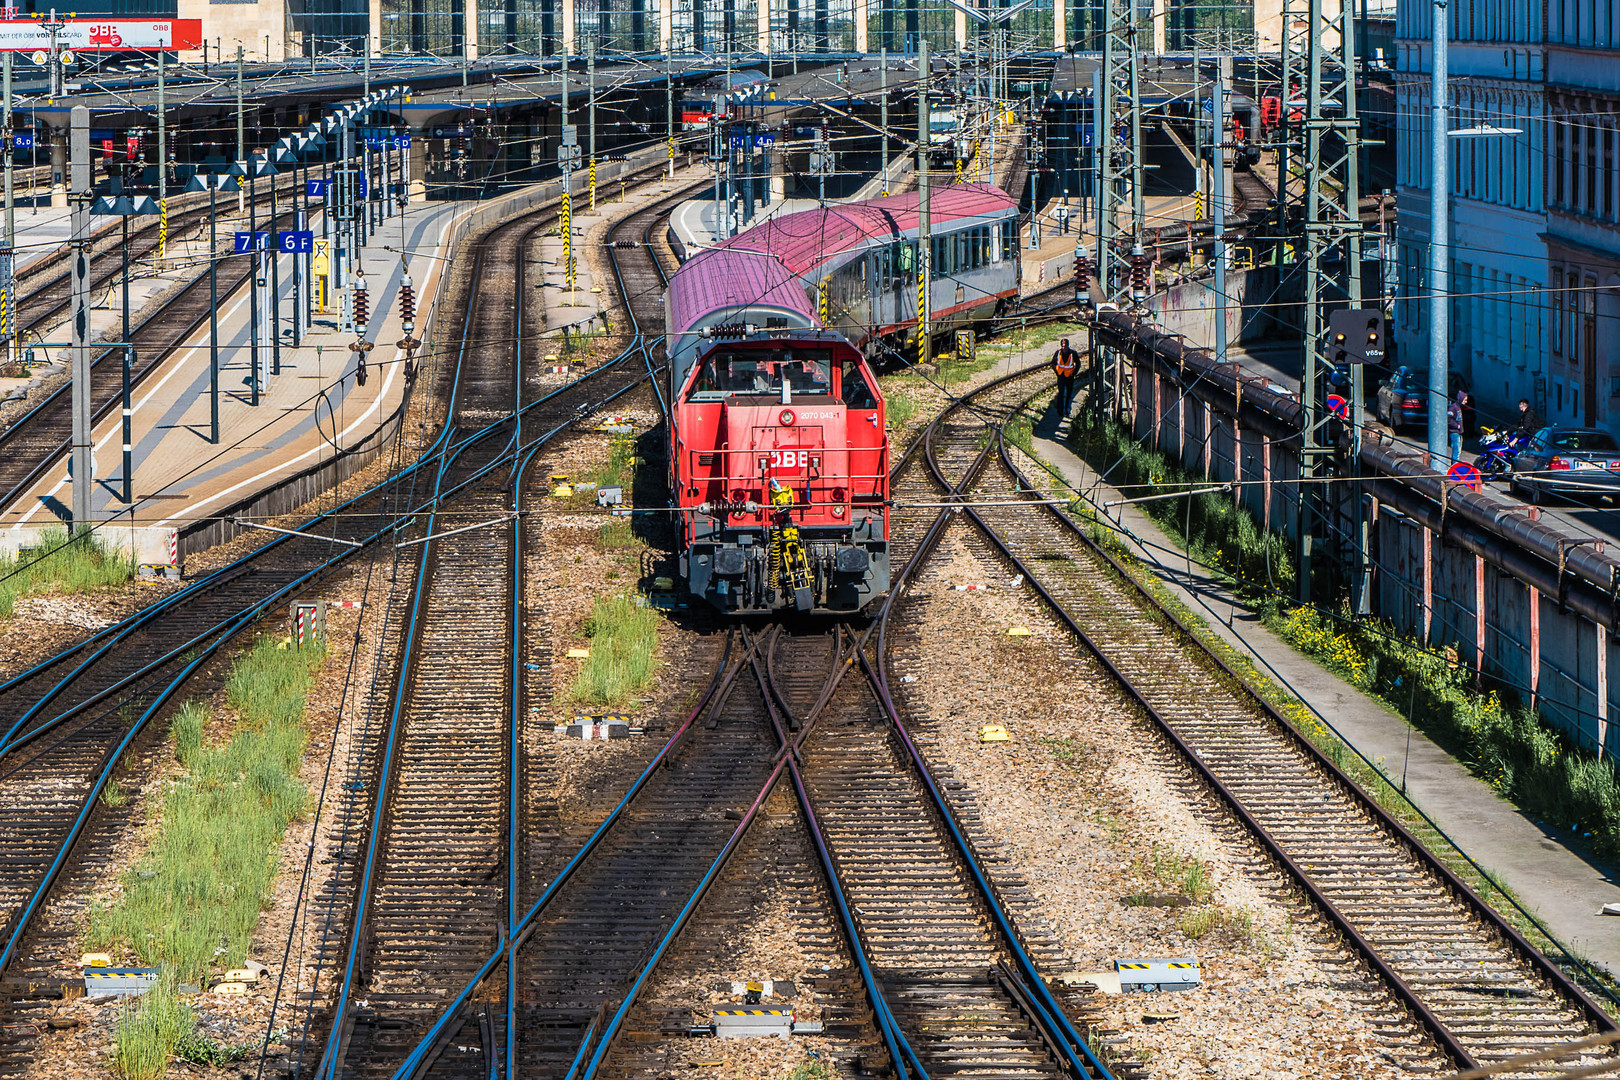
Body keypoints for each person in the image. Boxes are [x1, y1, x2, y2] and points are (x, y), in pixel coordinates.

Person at [1053, 338, 1080, 414]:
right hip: (1061, 376)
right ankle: (1060, 410)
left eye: (1065, 346)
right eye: (1062, 346)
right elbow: (1053, 363)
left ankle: (1067, 409)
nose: (1063, 347)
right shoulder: (1058, 353)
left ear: (1068, 345)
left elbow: (1078, 364)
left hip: (1070, 376)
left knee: (1069, 393)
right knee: (1061, 393)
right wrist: (1057, 372)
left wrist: (1074, 373)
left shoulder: (1073, 353)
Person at [1448, 389, 1469, 464]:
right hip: (1454, 432)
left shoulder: (1459, 407)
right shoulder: (1453, 407)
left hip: (1459, 432)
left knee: (1459, 450)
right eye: (1465, 400)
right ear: (1460, 399)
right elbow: (1448, 419)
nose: (1466, 402)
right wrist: (1457, 426)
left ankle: (1456, 464)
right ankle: (1455, 465)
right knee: (1456, 451)